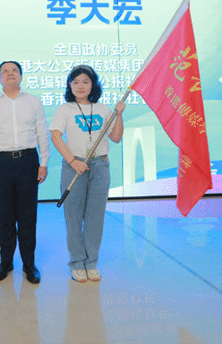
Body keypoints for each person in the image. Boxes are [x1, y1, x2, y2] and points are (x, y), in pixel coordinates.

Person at [49, 65, 125, 283]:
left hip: (100, 166)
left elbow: (115, 138)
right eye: (75, 82)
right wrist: (73, 161)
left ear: (93, 84)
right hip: (74, 166)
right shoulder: (65, 109)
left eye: (85, 81)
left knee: (95, 218)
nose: (80, 86)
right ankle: (77, 263)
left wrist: (119, 115)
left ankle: (91, 262)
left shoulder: (102, 109)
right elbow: (55, 136)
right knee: (73, 218)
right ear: (69, 85)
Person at [0, 61, 50, 284]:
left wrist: (44, 162)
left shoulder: (33, 101)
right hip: (0, 162)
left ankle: (29, 264)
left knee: (28, 216)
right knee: (5, 216)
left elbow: (42, 133)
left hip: (28, 161)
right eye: (5, 72)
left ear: (20, 75)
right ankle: (6, 262)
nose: (10, 75)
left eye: (14, 71)